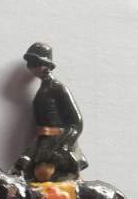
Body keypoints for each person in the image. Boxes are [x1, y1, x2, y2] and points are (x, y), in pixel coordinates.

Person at [13, 42, 86, 182]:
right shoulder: (42, 89)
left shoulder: (58, 88)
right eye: (30, 64)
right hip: (42, 142)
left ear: (46, 66)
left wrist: (65, 145)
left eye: (35, 63)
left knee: (48, 175)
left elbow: (77, 123)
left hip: (58, 143)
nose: (31, 68)